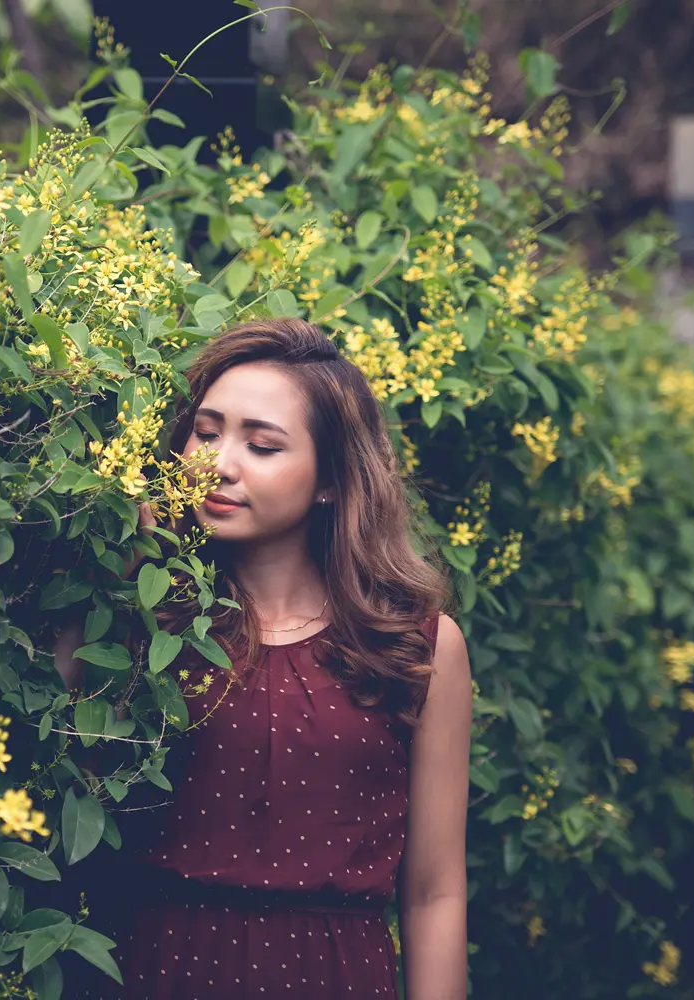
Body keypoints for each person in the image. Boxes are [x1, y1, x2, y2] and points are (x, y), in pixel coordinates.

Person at [54, 319, 472, 999]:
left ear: (332, 480)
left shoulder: (415, 645)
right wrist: (127, 568)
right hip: (155, 969)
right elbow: (59, 774)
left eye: (262, 444)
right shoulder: (140, 619)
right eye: (207, 431)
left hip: (335, 976)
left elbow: (433, 893)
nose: (219, 461)